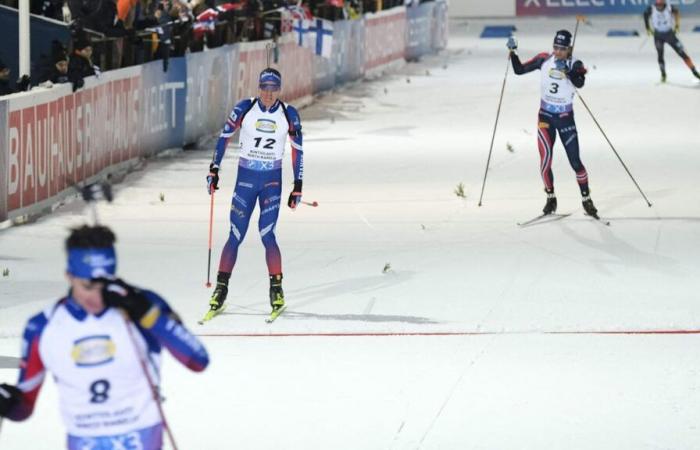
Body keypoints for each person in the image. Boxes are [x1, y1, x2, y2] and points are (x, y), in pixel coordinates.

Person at [0, 225, 209, 450]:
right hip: (84, 440)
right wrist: (8, 401)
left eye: (104, 284)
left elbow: (198, 360)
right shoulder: (42, 326)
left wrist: (147, 314)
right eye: (88, 286)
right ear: (69, 276)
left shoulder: (142, 304)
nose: (97, 297)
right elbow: (25, 407)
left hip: (141, 436)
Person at [206, 67, 304, 318]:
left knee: (267, 235)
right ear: (258, 87)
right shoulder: (244, 108)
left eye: (273, 89)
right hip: (246, 182)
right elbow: (224, 137)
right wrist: (214, 169)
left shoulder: (288, 113)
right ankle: (220, 289)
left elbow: (297, 151)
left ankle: (277, 291)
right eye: (264, 88)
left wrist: (298, 185)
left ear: (279, 89)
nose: (268, 94)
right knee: (235, 234)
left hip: (271, 182)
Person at [507, 30, 598, 218]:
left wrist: (570, 72)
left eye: (562, 49)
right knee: (545, 161)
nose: (557, 52)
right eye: (555, 47)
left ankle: (586, 199)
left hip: (565, 118)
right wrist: (513, 52)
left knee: (575, 162)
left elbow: (580, 83)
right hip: (545, 117)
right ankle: (550, 197)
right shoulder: (544, 60)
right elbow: (519, 70)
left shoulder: (575, 63)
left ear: (569, 49)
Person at [644, 0, 700, 82]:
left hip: (670, 35)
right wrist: (648, 28)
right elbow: (645, 15)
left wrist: (677, 25)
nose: (658, 7)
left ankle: (695, 72)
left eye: (660, 5)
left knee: (682, 53)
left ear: (664, 3)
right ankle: (663, 75)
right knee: (660, 55)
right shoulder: (651, 8)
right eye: (657, 5)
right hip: (658, 36)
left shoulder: (670, 7)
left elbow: (677, 13)